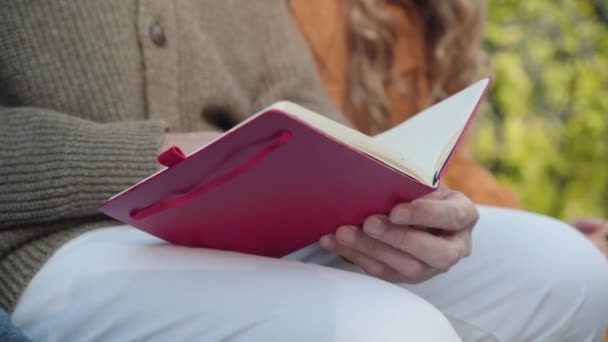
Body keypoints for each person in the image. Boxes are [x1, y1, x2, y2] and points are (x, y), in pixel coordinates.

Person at [0, 1, 607, 341]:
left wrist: (395, 196)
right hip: (56, 238)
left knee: (571, 269)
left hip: (254, 223)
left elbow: (298, 96)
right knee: (391, 332)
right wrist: (155, 152)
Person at [290, 0, 608, 255]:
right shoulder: (316, 15)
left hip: (407, 226)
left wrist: (537, 231)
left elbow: (452, 169)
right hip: (334, 233)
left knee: (580, 265)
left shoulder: (442, 20)